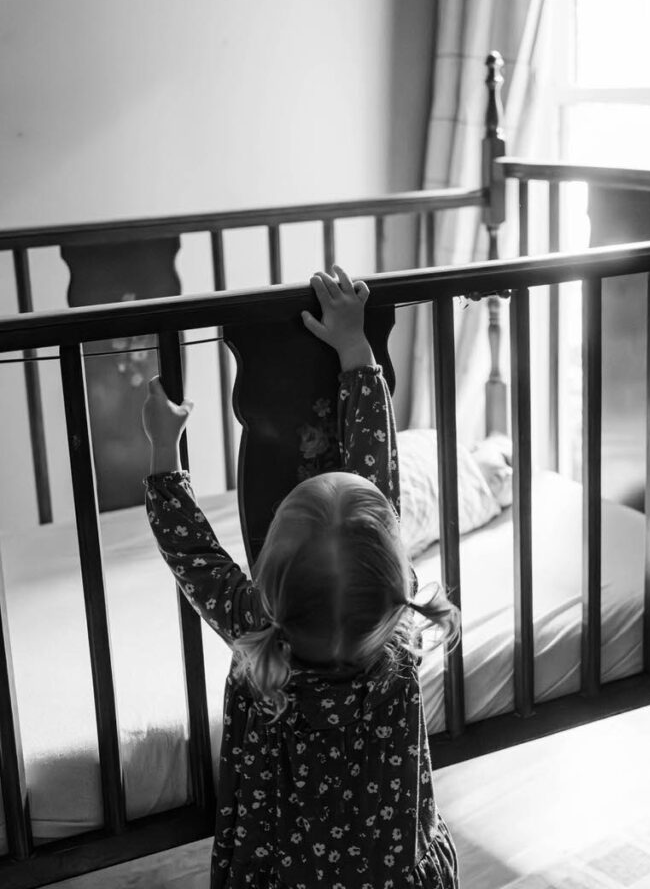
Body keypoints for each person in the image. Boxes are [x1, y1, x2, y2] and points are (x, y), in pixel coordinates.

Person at [143, 264, 460, 889]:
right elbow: (378, 476)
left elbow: (194, 554)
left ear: (269, 584)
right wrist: (355, 351)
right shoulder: (398, 642)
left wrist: (162, 453)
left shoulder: (259, 636)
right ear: (392, 578)